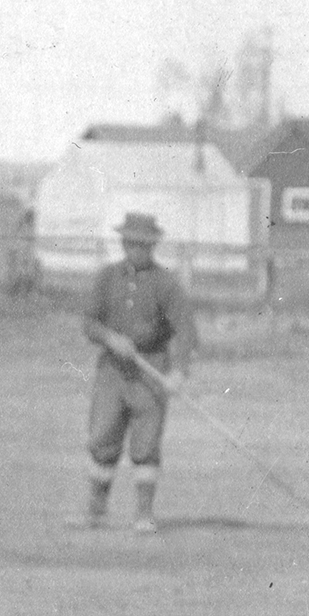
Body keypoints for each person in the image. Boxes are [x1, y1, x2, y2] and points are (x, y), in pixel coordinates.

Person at [74, 211, 196, 534]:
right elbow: (89, 322)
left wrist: (179, 372)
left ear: (152, 245)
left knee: (146, 445)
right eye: (130, 243)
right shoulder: (107, 278)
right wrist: (110, 338)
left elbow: (186, 330)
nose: (136, 249)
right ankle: (96, 511)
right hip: (112, 372)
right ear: (123, 243)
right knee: (102, 438)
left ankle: (144, 514)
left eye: (143, 244)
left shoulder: (167, 283)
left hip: (151, 368)